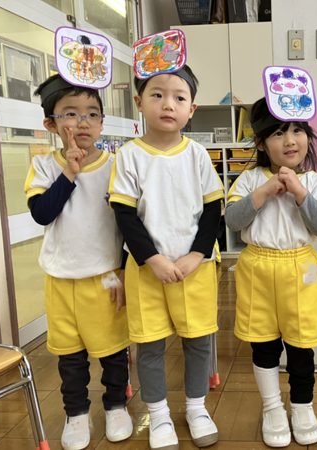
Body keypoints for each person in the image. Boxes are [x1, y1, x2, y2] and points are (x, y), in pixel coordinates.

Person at [109, 30, 223, 449]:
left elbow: (213, 209)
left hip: (196, 269)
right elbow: (124, 214)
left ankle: (196, 407)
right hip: (146, 271)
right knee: (150, 345)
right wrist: (152, 259)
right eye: (157, 95)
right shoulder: (129, 155)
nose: (168, 104)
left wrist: (197, 253)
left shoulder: (197, 155)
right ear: (139, 102)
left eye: (178, 97)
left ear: (191, 109)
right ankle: (158, 416)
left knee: (198, 342)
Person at [27, 72, 132, 450]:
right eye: (70, 113)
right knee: (70, 356)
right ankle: (76, 413)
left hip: (106, 277)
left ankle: (116, 405)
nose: (83, 122)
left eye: (92, 113)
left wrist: (125, 272)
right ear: (51, 124)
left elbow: (130, 224)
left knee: (114, 350)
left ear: (102, 122)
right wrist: (70, 171)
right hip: (60, 279)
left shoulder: (116, 165)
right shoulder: (44, 165)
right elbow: (42, 213)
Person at [225, 86, 317, 447]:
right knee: (264, 344)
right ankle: (272, 407)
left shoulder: (315, 181)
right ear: (260, 142)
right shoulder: (248, 179)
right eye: (277, 133)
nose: (290, 140)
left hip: (301, 271)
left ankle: (302, 407)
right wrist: (265, 190)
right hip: (257, 267)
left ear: (308, 136)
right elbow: (233, 221)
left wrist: (300, 192)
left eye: (297, 130)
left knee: (302, 346)